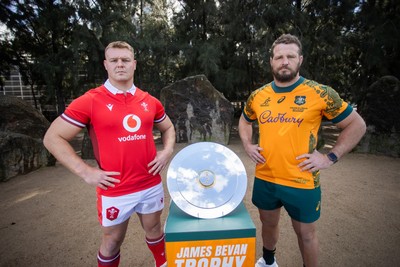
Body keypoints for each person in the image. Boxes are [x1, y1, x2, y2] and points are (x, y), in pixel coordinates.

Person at [43, 41, 175, 267]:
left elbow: (168, 128)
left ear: (134, 64)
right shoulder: (90, 100)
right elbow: (52, 137)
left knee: (154, 229)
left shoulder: (149, 100)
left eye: (125, 60)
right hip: (115, 188)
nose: (120, 64)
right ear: (106, 65)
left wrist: (167, 151)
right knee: (112, 240)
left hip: (149, 183)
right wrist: (85, 172)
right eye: (114, 60)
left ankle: (162, 263)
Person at [238, 34, 366, 267]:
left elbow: (357, 124)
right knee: (268, 224)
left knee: (306, 234)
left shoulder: (320, 92)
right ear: (271, 61)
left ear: (300, 59)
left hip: (302, 180)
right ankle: (268, 261)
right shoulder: (258, 96)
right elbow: (245, 120)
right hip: (266, 176)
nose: (284, 61)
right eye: (279, 57)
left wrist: (330, 157)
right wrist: (247, 144)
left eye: (290, 56)